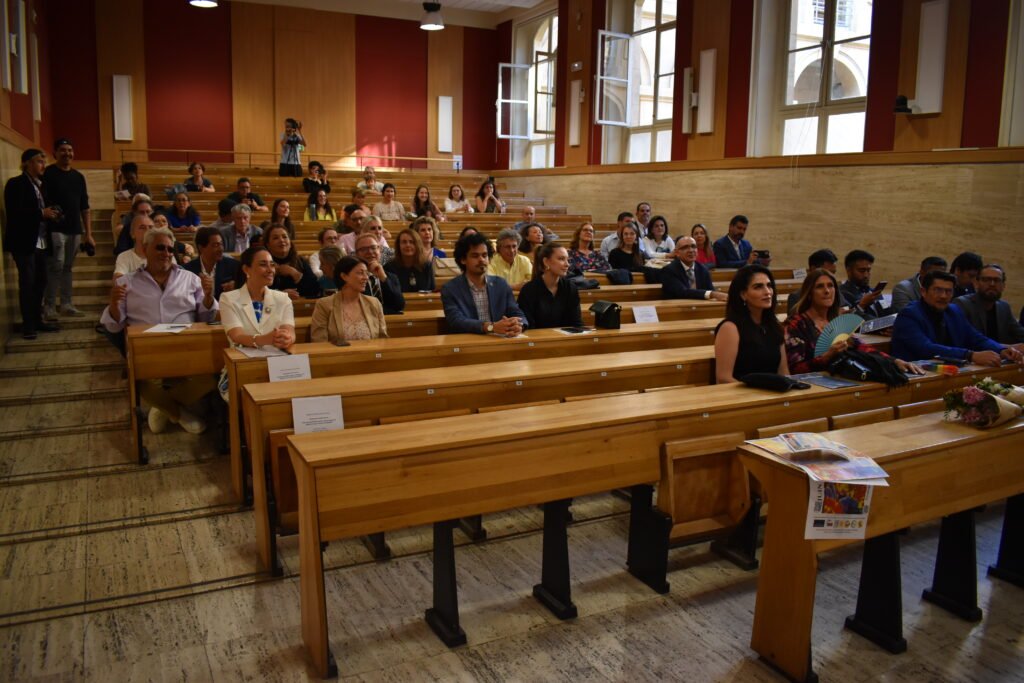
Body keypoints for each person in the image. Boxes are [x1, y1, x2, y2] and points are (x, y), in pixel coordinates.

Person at [100, 226, 218, 433]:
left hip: (188, 348)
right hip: (148, 352)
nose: (166, 254)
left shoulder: (191, 279)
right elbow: (113, 325)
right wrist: (113, 305)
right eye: (160, 248)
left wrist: (208, 298)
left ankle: (162, 408)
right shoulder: (126, 283)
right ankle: (178, 413)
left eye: (170, 250)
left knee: (214, 377)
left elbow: (206, 318)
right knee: (137, 379)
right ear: (145, 250)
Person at [785, 269, 922, 375]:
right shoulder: (796, 324)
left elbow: (862, 348)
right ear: (809, 293)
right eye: (820, 287)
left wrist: (894, 361)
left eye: (830, 286)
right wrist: (827, 356)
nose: (827, 291)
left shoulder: (835, 321)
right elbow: (795, 370)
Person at [890, 271, 1023, 366]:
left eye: (948, 291)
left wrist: (1001, 350)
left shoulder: (954, 311)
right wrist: (970, 355)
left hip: (948, 371)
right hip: (914, 375)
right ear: (924, 292)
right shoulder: (909, 314)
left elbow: (975, 338)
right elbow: (926, 348)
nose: (943, 296)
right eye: (938, 290)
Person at [3, 147, 61, 339]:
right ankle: (28, 325)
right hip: (24, 242)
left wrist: (53, 213)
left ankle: (37, 320)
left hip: (41, 241)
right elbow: (15, 212)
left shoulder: (41, 185)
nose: (43, 164)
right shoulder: (16, 184)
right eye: (39, 161)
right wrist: (41, 214)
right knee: (27, 283)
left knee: (40, 282)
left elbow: (44, 209)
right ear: (26, 162)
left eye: (44, 161)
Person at [42, 138, 94, 319]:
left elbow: (85, 208)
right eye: (63, 150)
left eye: (70, 150)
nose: (67, 153)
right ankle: (49, 305)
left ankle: (66, 304)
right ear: (55, 153)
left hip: (75, 229)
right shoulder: (47, 174)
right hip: (55, 229)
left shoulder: (78, 177)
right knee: (55, 265)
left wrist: (89, 234)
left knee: (67, 267)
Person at [713, 264, 788, 383]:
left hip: (773, 395)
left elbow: (784, 372)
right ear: (743, 294)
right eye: (758, 287)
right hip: (742, 396)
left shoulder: (775, 326)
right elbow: (723, 378)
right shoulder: (730, 328)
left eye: (769, 286)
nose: (767, 292)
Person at [441, 232, 526, 335]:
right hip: (468, 343)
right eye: (475, 256)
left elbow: (516, 312)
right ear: (463, 259)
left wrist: (518, 325)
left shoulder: (501, 284)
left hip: (500, 339)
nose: (481, 260)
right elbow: (456, 321)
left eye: (484, 255)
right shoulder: (450, 288)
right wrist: (490, 327)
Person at [220, 245, 296, 352]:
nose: (270, 270)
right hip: (241, 361)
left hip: (276, 361)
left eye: (272, 265)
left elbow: (290, 331)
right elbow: (237, 336)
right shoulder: (228, 299)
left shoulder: (283, 299)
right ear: (246, 269)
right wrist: (265, 339)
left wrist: (287, 339)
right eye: (263, 265)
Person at [311, 256, 388, 343]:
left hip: (370, 355)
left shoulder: (374, 303)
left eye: (366, 273)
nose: (366, 277)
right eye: (360, 273)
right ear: (344, 276)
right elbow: (319, 342)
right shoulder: (324, 305)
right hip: (338, 355)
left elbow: (382, 339)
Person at [953, 265, 1024, 345]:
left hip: (1001, 355)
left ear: (1003, 286)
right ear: (976, 283)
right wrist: (1005, 347)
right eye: (986, 280)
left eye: (997, 280)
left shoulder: (1004, 307)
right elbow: (967, 339)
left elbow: (1020, 333)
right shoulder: (962, 304)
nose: (992, 284)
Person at [517, 243, 583, 329]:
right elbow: (528, 326)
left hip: (566, 340)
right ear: (546, 262)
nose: (567, 264)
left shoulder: (570, 287)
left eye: (567, 259)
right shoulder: (529, 290)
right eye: (561, 259)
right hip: (539, 340)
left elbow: (576, 322)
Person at [661, 236, 727, 301]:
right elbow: (682, 292)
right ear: (677, 253)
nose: (691, 250)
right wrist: (712, 294)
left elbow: (710, 290)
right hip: (675, 309)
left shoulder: (703, 269)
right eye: (685, 247)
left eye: (693, 246)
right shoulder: (669, 270)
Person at [353, 232, 405, 314]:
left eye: (373, 248)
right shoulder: (353, 278)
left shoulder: (391, 276)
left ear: (379, 250)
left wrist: (383, 278)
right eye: (364, 249)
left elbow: (399, 305)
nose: (370, 252)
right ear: (356, 254)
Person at [264, 225, 319, 299]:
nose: (281, 240)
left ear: (290, 242)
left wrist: (295, 274)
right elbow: (256, 290)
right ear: (268, 245)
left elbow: (315, 290)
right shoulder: (263, 264)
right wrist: (280, 295)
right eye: (275, 238)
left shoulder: (301, 262)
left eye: (284, 237)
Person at [184, 227, 239, 299]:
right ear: (201, 248)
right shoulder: (187, 271)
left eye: (221, 244)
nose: (221, 249)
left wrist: (237, 288)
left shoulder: (233, 266)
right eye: (215, 245)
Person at [785, 249, 845, 313]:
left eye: (833, 273)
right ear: (813, 269)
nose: (832, 277)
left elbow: (845, 306)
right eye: (827, 272)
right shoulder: (796, 297)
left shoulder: (834, 290)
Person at [839, 249, 887, 320]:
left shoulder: (874, 292)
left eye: (868, 270)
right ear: (849, 270)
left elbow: (887, 312)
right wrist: (862, 305)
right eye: (862, 271)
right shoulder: (841, 293)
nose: (866, 275)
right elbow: (847, 319)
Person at [113, 215, 152, 279]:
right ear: (132, 234)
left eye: (151, 227)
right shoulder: (124, 256)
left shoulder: (165, 254)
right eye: (142, 227)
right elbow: (118, 280)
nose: (148, 230)